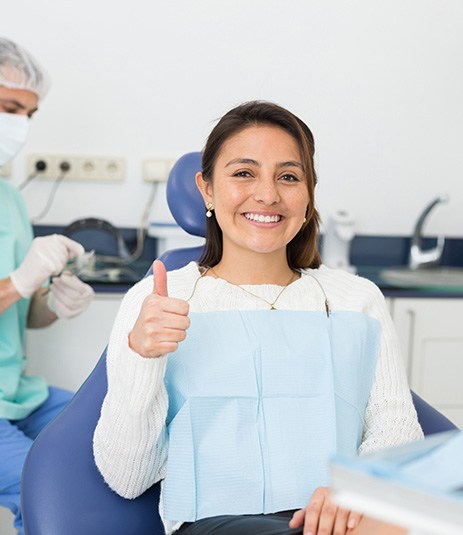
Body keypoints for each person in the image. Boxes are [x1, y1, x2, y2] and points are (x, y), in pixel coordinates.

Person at [93, 101, 423, 535]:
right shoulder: (161, 299)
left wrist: (355, 491)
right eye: (243, 173)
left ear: (308, 194)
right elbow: (128, 478)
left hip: (344, 519)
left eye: (288, 176)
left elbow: (397, 432)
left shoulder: (355, 299)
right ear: (206, 189)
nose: (268, 194)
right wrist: (142, 357)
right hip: (219, 522)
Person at [0, 36, 94, 534]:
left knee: (125, 440)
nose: (20, 123)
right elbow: (10, 288)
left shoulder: (7, 196)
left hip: (18, 392)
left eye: (29, 113)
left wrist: (51, 304)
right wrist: (19, 281)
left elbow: (21, 312)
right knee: (52, 492)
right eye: (9, 107)